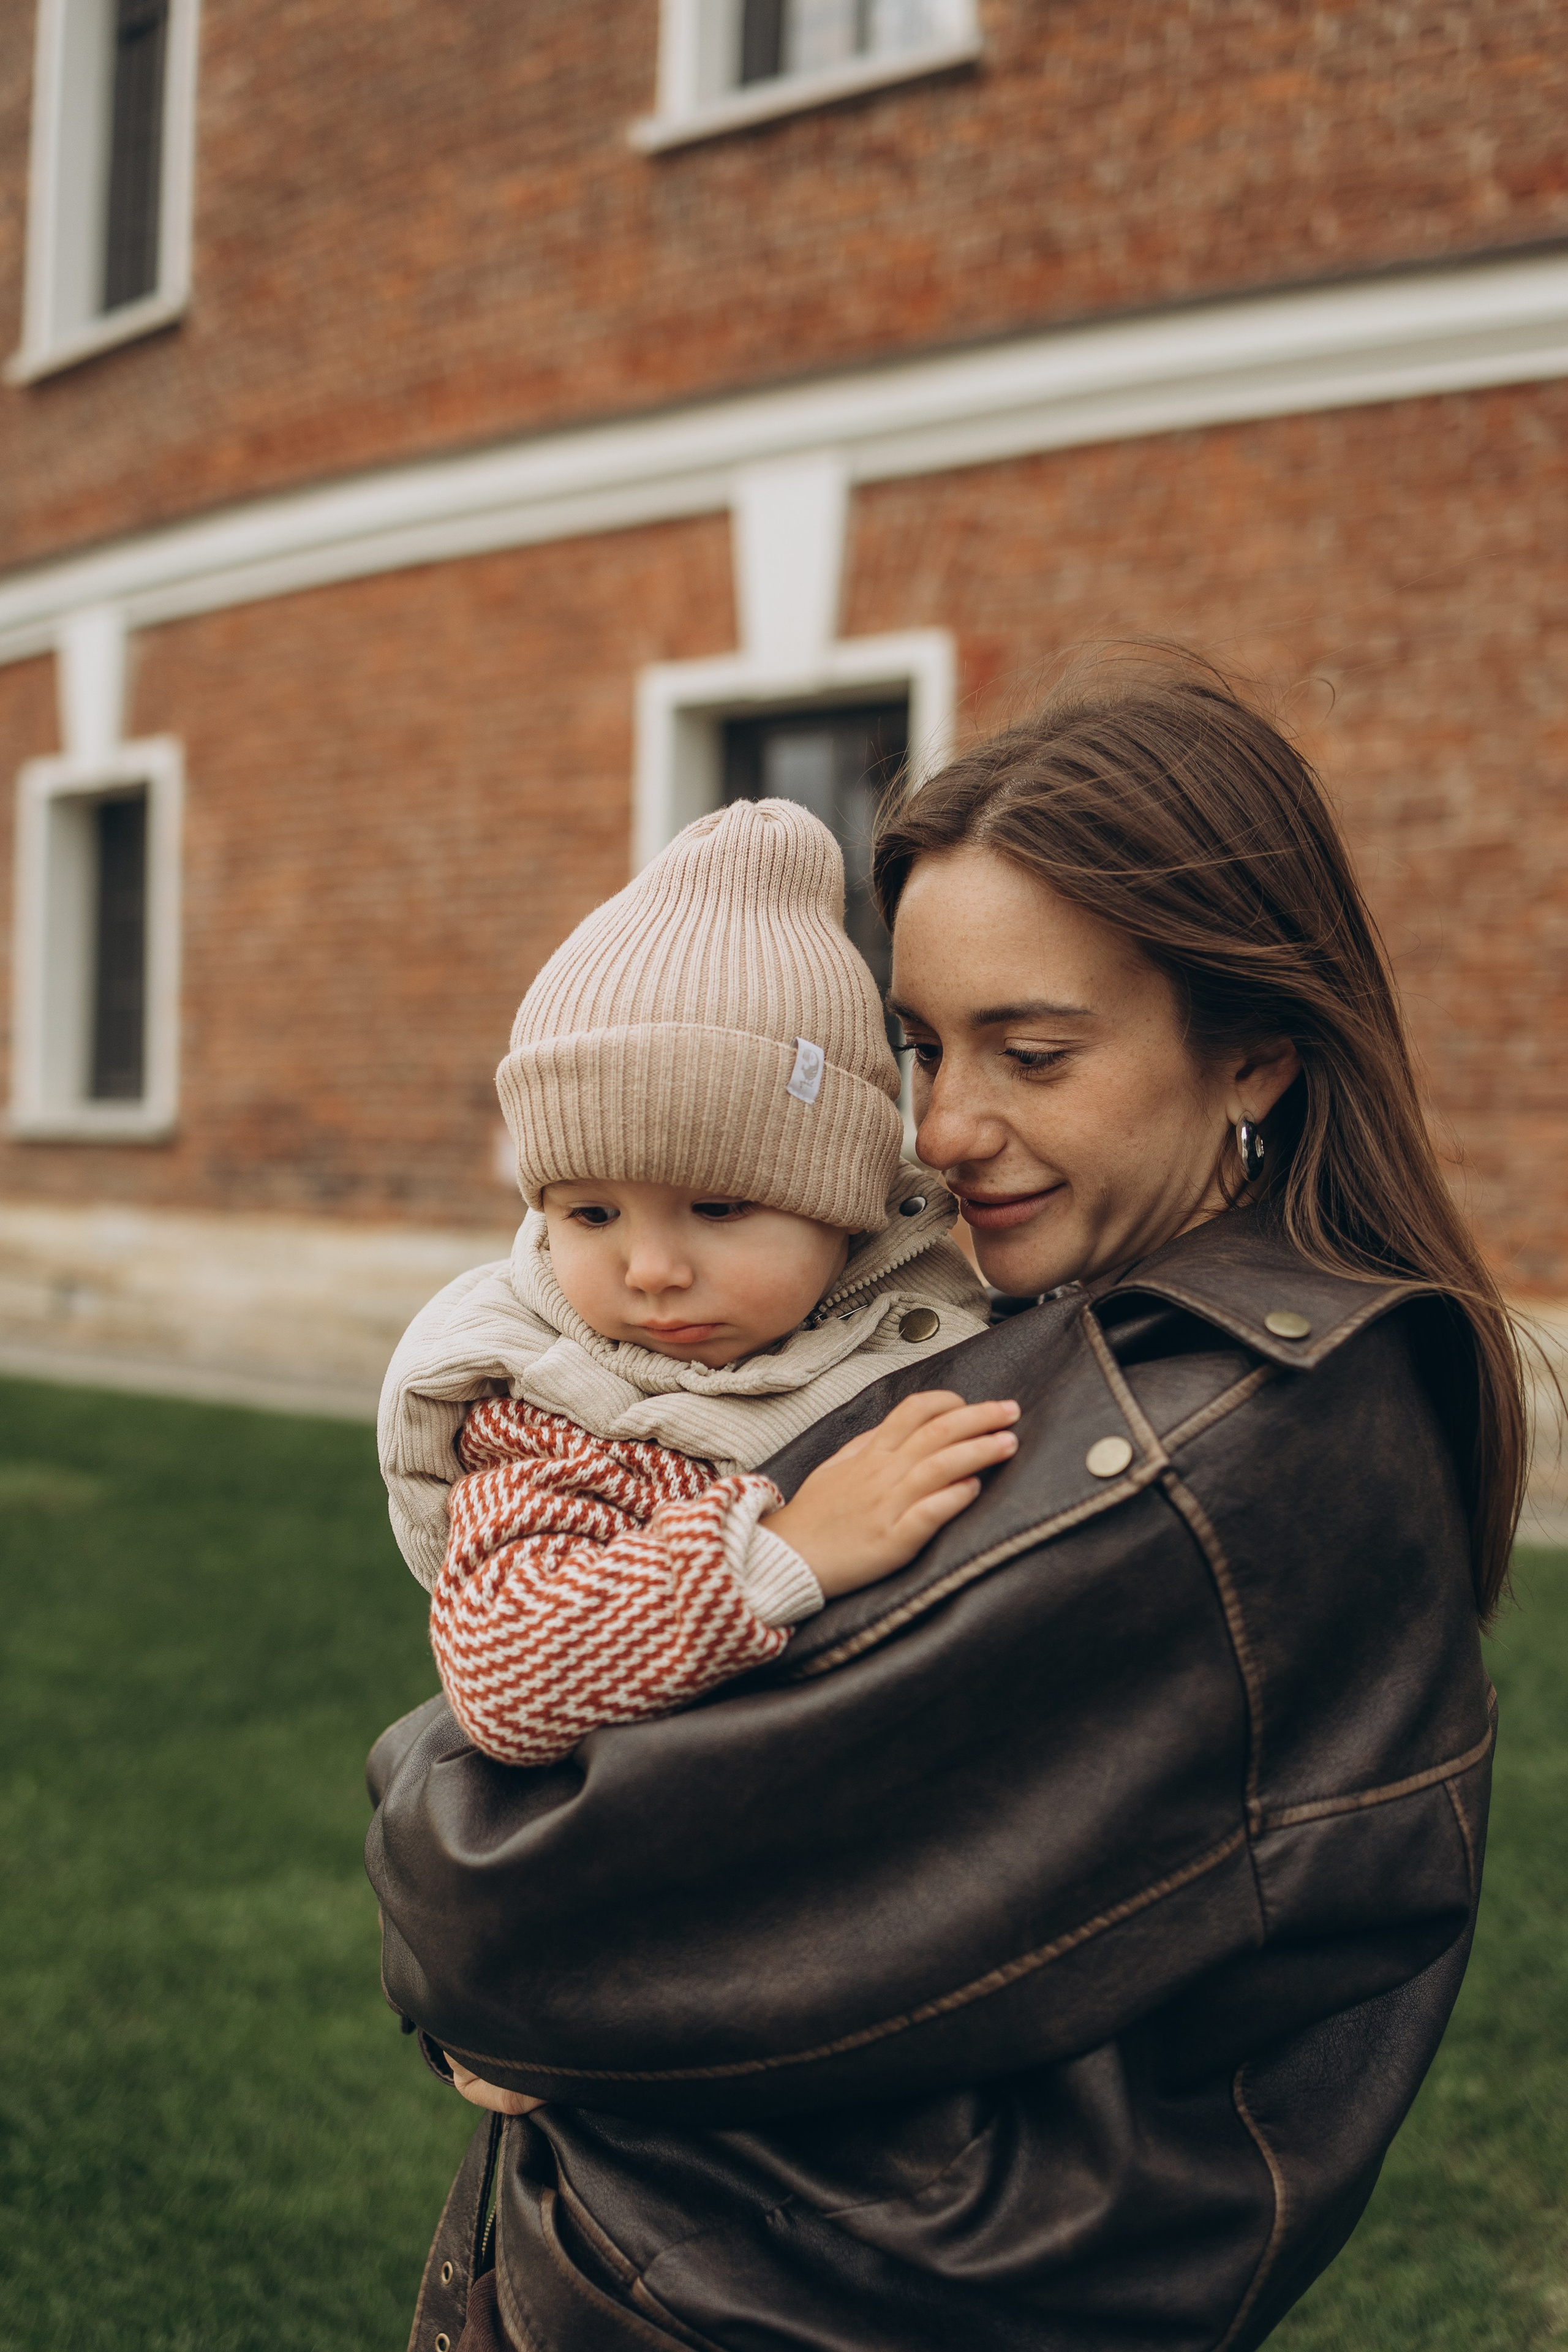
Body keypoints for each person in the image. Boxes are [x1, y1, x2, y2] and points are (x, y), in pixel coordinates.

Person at [367, 650, 1523, 2352]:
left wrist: (431, 1832)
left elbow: (515, 1894)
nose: (950, 1132)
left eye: (1035, 1054)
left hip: (781, 2295)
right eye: (918, 1046)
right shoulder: (1106, 1332)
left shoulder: (1197, 1449)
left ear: (1256, 1056)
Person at [378, 793, 997, 1774]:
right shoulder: (555, 1412)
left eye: (718, 1210)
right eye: (591, 1215)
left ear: (841, 1203)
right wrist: (783, 1552)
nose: (652, 1270)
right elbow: (500, 1672)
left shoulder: (939, 1323)